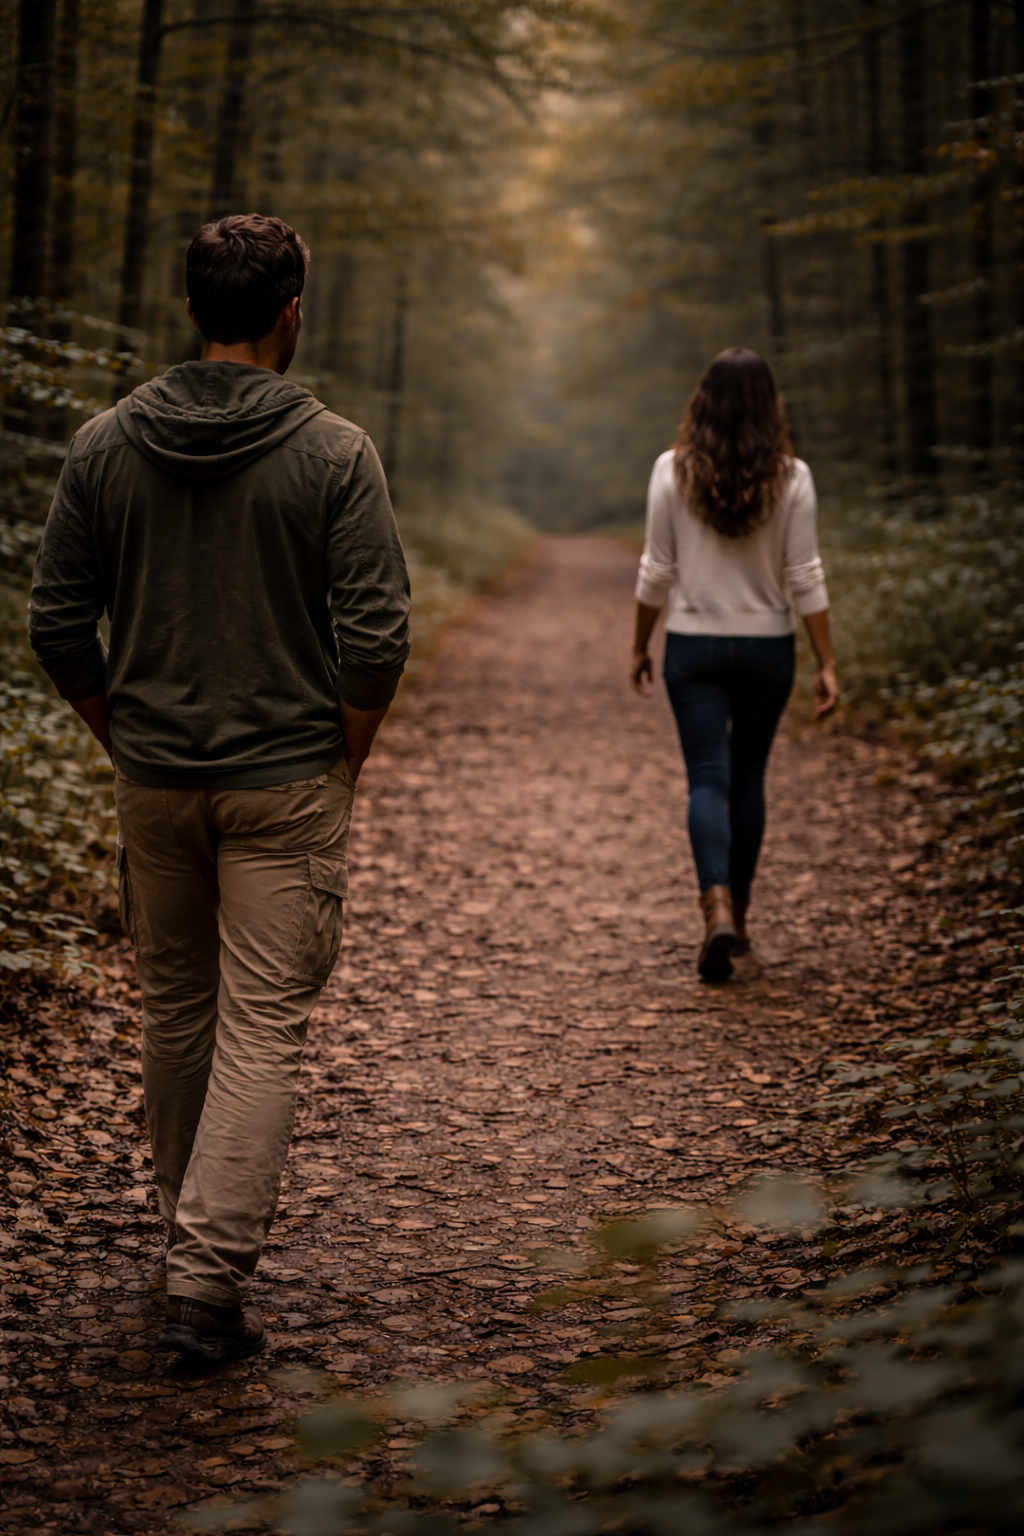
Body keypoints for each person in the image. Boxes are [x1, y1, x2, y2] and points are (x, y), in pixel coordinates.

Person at [28, 215, 411, 1361]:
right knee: (262, 1025)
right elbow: (378, 637)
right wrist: (344, 751)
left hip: (154, 782)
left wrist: (119, 733)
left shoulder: (103, 444)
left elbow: (56, 621)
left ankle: (186, 1247)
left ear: (193, 312)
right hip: (285, 779)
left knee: (180, 1013)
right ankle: (204, 1285)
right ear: (290, 312)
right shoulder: (336, 452)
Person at [631, 347, 838, 982]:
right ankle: (739, 918)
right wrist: (828, 661)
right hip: (768, 647)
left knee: (707, 781)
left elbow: (656, 570)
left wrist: (640, 643)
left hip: (693, 645)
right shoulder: (792, 476)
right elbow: (804, 574)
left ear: (703, 400)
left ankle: (714, 904)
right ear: (769, 404)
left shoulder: (672, 470)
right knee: (750, 779)